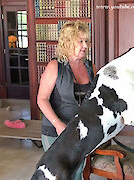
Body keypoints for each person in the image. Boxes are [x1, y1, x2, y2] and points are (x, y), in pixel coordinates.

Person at [37, 20, 96, 179]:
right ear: (68, 42)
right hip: (55, 131)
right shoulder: (54, 66)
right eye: (80, 41)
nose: (85, 45)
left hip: (79, 131)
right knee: (59, 174)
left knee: (76, 173)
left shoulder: (91, 67)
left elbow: (94, 99)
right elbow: (42, 99)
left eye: (86, 41)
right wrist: (57, 124)